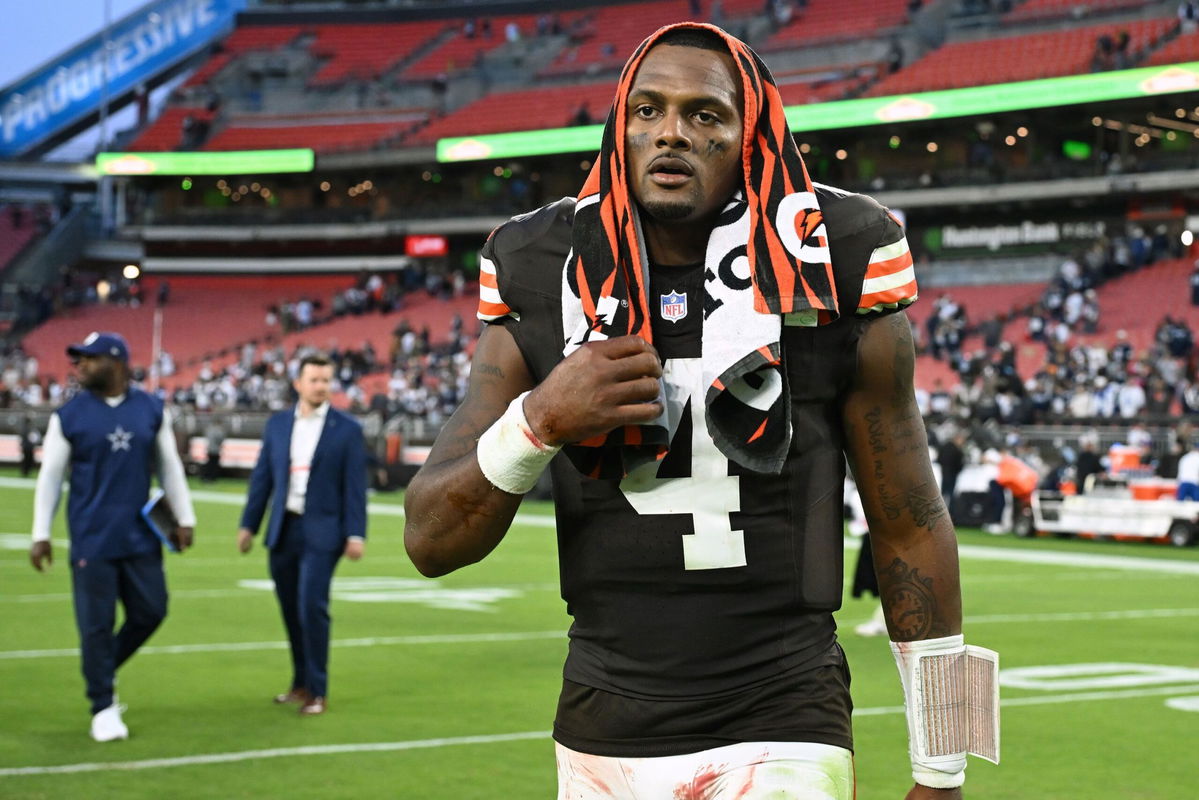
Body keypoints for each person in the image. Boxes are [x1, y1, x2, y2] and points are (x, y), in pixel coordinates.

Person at [405, 23, 992, 799]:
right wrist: (539, 419)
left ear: (752, 135)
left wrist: (946, 766)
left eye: (705, 114)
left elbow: (912, 519)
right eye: (645, 111)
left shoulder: (837, 255)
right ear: (619, 126)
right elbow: (428, 541)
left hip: (786, 709)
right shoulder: (541, 265)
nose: (670, 132)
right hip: (600, 719)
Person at [29, 331, 196, 742]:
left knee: (152, 611)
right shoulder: (68, 416)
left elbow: (169, 466)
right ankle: (102, 705)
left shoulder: (151, 409)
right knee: (96, 627)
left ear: (117, 362)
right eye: (79, 360)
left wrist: (185, 518)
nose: (81, 366)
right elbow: (50, 477)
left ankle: (101, 669)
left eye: (90, 359)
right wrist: (40, 533)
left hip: (142, 535)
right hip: (92, 538)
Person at [237, 353, 367, 716]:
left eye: (326, 380)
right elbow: (262, 478)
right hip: (284, 528)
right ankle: (299, 683)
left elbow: (355, 487)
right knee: (291, 610)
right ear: (298, 384)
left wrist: (356, 533)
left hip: (324, 532)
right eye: (314, 380)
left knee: (312, 607)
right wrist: (249, 524)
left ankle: (318, 690)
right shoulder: (278, 425)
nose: (321, 386)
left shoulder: (347, 429)